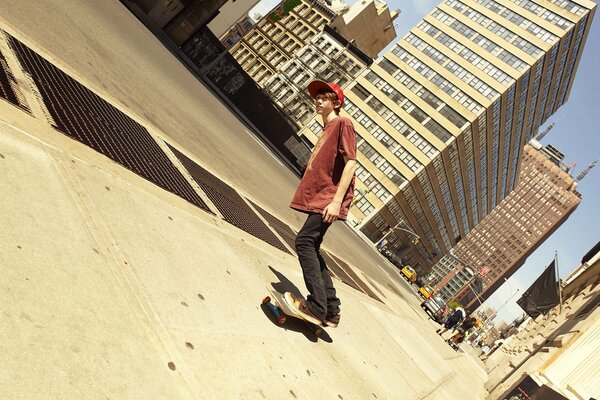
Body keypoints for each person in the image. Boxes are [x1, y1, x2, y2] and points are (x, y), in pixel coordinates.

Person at [285, 80, 357, 328]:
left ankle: (317, 307)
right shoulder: (327, 128)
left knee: (304, 242)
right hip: (324, 197)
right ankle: (331, 310)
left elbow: (351, 163)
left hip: (330, 199)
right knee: (312, 245)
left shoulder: (342, 123)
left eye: (324, 97)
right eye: (316, 97)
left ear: (335, 102)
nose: (318, 100)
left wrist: (336, 202)